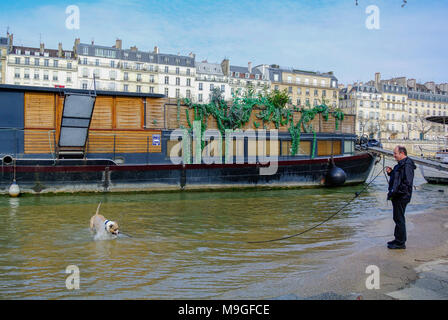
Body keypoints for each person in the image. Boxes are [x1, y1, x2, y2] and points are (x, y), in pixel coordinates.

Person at [385, 146, 416, 249]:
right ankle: (398, 239)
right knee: (397, 218)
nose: (394, 156)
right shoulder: (400, 165)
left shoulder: (407, 165)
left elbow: (407, 182)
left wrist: (397, 192)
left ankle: (400, 242)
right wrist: (391, 173)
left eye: (395, 153)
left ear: (402, 153)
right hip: (397, 195)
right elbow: (398, 177)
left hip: (402, 196)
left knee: (399, 218)